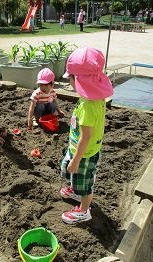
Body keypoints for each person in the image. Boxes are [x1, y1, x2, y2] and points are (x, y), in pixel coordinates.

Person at [60, 46, 113, 224]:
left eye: (71, 78)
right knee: (70, 171)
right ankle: (76, 190)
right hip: (81, 149)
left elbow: (86, 137)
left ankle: (84, 211)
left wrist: (76, 160)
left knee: (85, 183)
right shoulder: (94, 97)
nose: (70, 82)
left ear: (79, 80)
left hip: (85, 153)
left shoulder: (88, 106)